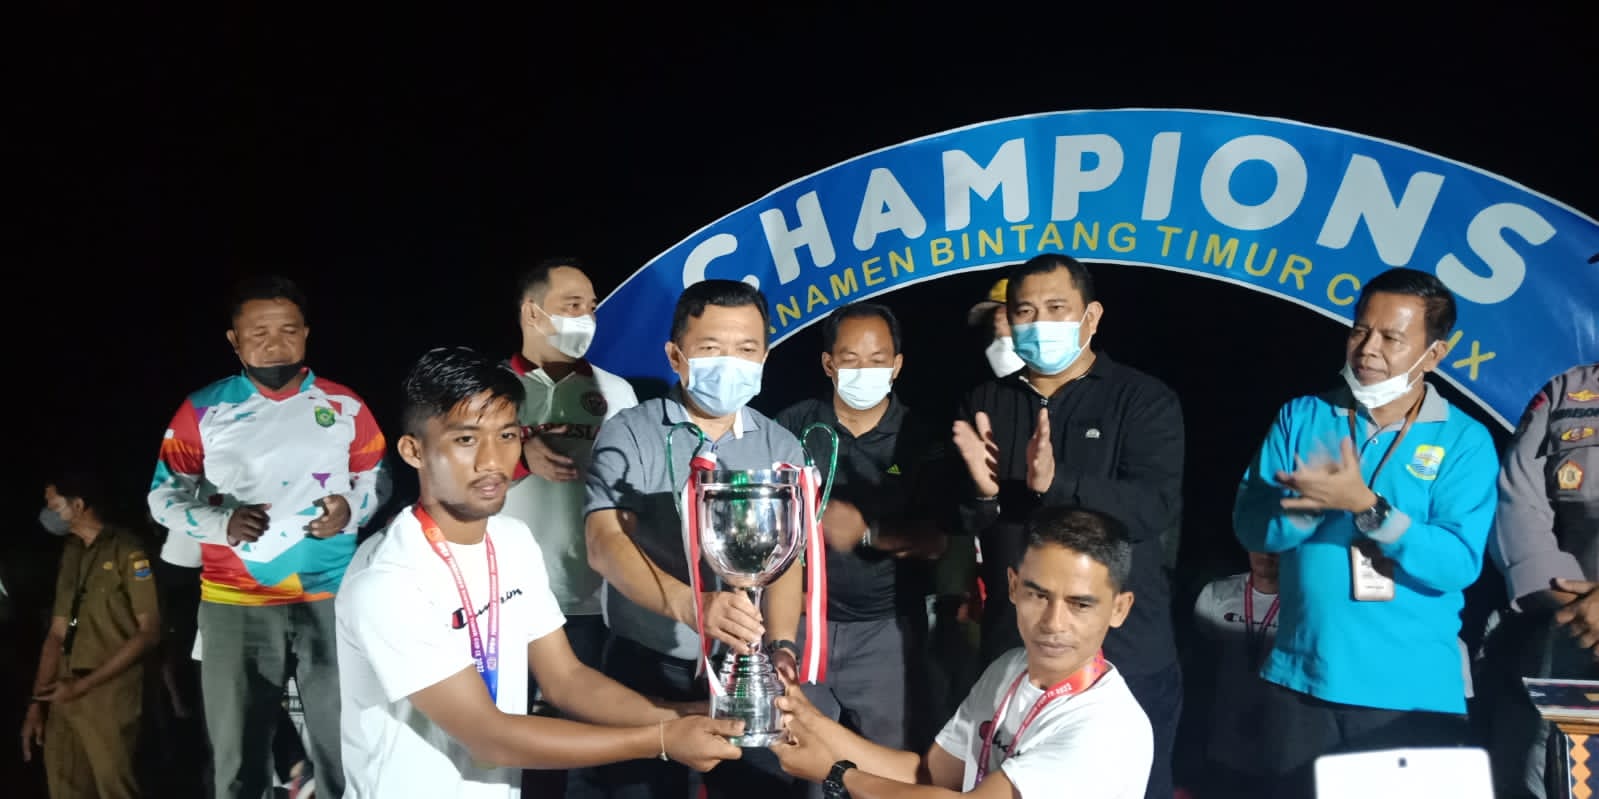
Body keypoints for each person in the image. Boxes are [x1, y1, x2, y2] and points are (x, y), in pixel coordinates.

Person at [335, 346, 743, 798]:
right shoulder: (388, 578)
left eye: (507, 435)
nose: (492, 460)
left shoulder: (511, 540)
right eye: (466, 440)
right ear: (414, 451)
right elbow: (489, 737)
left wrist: (688, 716)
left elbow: (567, 680)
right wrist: (662, 740)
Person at [1233, 267, 1498, 793]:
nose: (1368, 349)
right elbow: (1250, 527)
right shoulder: (1303, 416)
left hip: (1411, 697)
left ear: (1434, 355)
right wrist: (1307, 509)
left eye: (1392, 338)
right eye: (1360, 330)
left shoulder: (1464, 440)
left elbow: (1457, 564)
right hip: (1301, 680)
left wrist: (1369, 508)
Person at [585, 278, 841, 797]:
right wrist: (691, 605)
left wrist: (782, 645)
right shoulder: (630, 432)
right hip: (647, 666)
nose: (730, 363)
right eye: (710, 348)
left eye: (746, 349)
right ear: (676, 357)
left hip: (746, 671)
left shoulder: (780, 445)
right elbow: (603, 541)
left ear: (764, 356)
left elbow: (786, 560)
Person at [950, 253, 1184, 799]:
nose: (1040, 324)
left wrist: (1057, 483)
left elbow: (1154, 507)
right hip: (1019, 646)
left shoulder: (1143, 399)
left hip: (1127, 647)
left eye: (1057, 309)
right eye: (1025, 312)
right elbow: (963, 521)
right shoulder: (985, 401)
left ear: (1091, 316)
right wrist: (983, 495)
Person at [147, 274, 388, 799]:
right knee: (239, 756)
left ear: (306, 333)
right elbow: (163, 497)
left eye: (287, 330)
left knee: (346, 745)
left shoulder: (344, 404)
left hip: (331, 595)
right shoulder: (203, 408)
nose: (274, 342)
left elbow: (375, 477)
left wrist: (350, 510)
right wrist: (222, 524)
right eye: (258, 332)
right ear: (234, 340)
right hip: (235, 601)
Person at [772, 505, 1152, 798]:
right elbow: (928, 774)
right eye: (1038, 595)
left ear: (1119, 609)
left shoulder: (1109, 729)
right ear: (1013, 587)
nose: (1053, 623)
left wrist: (837, 774)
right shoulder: (1009, 669)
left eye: (1080, 605)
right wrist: (811, 719)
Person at [774, 302, 952, 755]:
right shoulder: (793, 425)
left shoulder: (920, 438)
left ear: (897, 365)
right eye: (850, 359)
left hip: (885, 632)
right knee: (800, 758)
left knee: (888, 763)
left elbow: (936, 540)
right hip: (800, 625)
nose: (863, 371)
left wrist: (867, 532)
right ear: (828, 363)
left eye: (877, 360)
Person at [501, 258, 638, 681]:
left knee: (583, 711)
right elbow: (451, 474)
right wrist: (518, 454)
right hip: (501, 596)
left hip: (589, 598)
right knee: (505, 716)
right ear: (532, 312)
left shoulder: (617, 391)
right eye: (573, 305)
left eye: (591, 308)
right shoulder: (487, 386)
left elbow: (636, 487)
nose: (586, 319)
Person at [1485, 361, 1599, 799]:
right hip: (1573, 643)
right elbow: (1519, 510)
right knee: (1563, 786)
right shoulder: (1567, 394)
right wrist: (1583, 611)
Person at [23, 473, 162, 799]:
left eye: (53, 504)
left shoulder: (128, 550)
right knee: (65, 787)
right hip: (63, 697)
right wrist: (37, 702)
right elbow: (57, 633)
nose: (48, 512)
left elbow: (149, 633)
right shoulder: (72, 552)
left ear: (78, 505)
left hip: (109, 699)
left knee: (116, 789)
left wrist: (83, 685)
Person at [1187, 552, 1280, 798]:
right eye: (1258, 543)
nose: (1266, 553)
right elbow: (1200, 666)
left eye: (1275, 546)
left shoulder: (1304, 600)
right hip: (1222, 741)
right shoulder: (1216, 593)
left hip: (1280, 743)